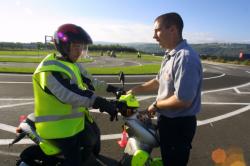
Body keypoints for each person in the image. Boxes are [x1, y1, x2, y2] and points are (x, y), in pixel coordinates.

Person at [32, 23, 121, 166]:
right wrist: (101, 102)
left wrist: (113, 88)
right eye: (76, 46)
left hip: (75, 123)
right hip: (57, 129)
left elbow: (91, 81)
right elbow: (70, 94)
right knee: (75, 162)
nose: (79, 51)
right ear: (63, 46)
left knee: (94, 140)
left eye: (82, 47)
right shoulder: (49, 69)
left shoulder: (72, 64)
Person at [128, 12, 203, 166]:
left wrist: (155, 106)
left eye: (157, 30)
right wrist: (135, 90)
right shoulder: (170, 55)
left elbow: (183, 100)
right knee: (168, 159)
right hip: (168, 121)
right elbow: (158, 81)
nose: (154, 36)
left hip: (179, 125)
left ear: (173, 30)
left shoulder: (185, 58)